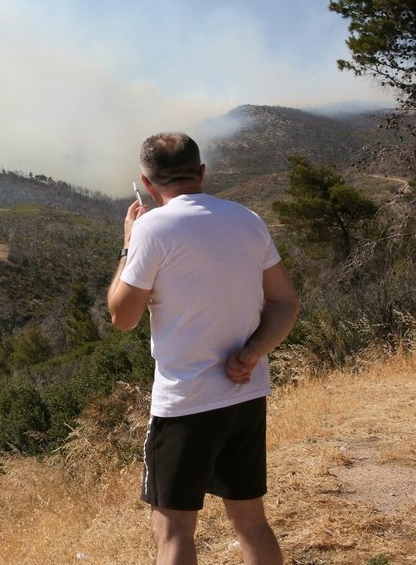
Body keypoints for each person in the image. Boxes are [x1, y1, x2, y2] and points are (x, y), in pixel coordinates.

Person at [107, 133, 300, 565]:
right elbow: (286, 302)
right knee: (251, 522)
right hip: (245, 394)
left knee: (173, 531)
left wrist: (127, 243)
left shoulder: (152, 228)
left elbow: (123, 318)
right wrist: (251, 353)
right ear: (201, 173)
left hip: (185, 401)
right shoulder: (248, 219)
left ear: (146, 182)